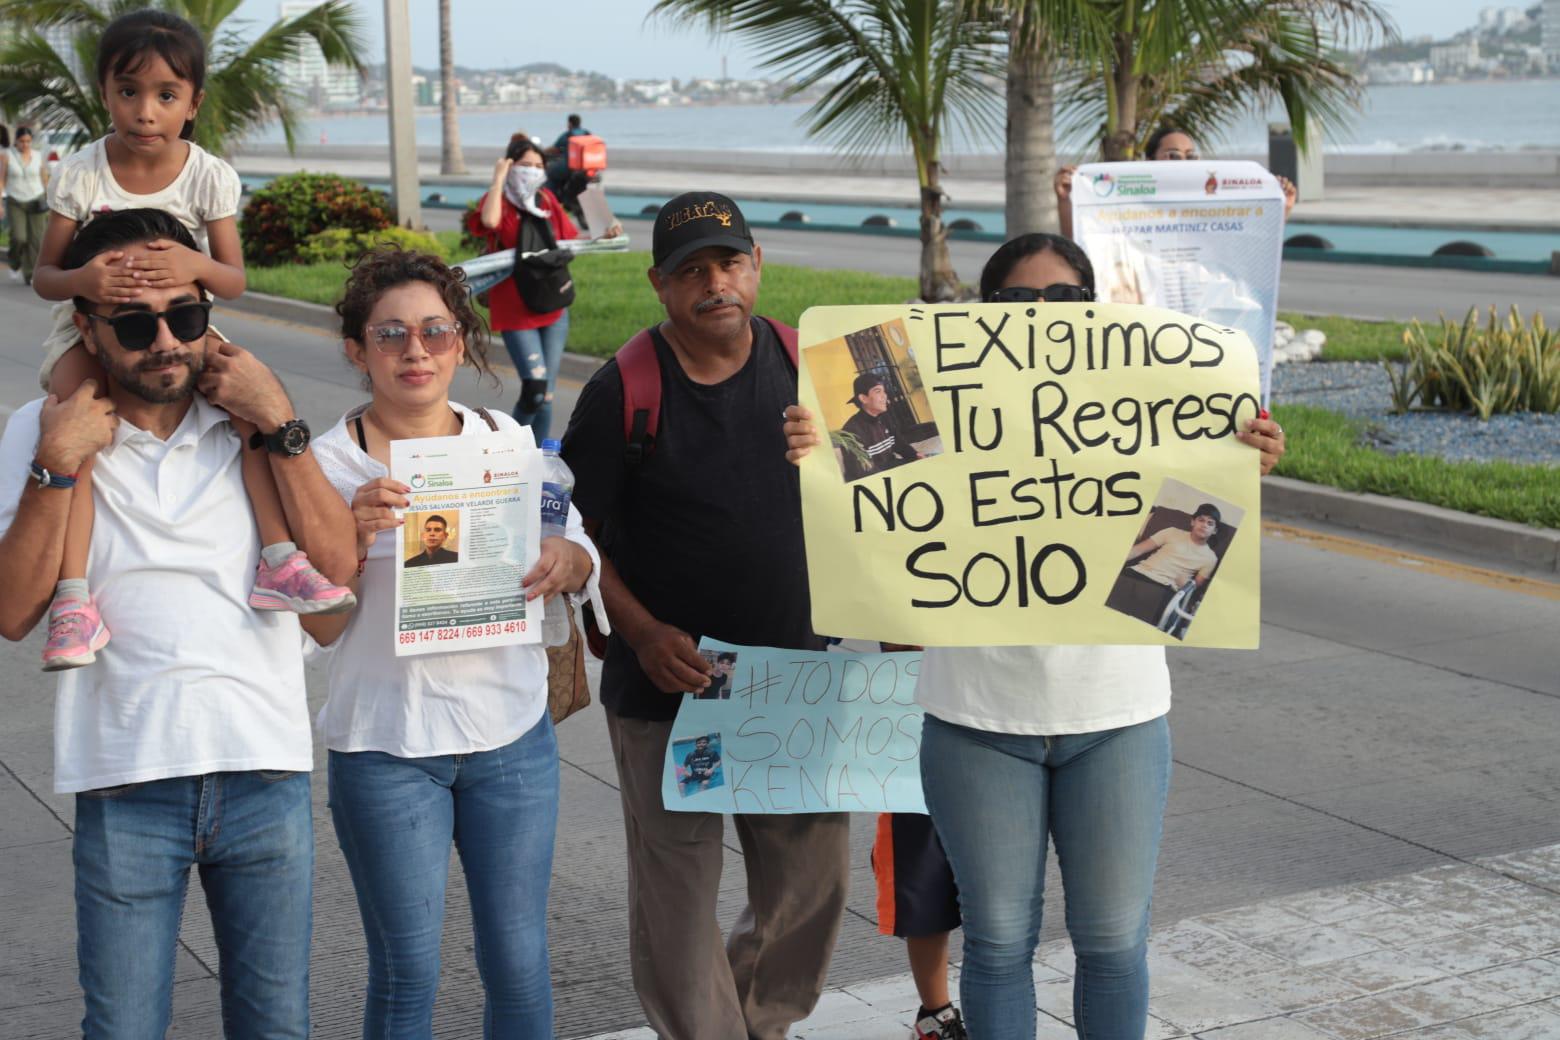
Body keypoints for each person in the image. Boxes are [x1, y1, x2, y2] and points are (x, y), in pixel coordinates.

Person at [783, 232, 1287, 1040]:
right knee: (997, 943)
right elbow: (864, 509)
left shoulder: (1144, 395)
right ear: (986, 313)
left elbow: (1194, 527)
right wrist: (819, 454)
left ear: (1093, 312)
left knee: (1116, 941)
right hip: (975, 718)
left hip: (1117, 716)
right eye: (1019, 303)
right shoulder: (932, 394)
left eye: (1064, 301)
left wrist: (1237, 466)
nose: (1043, 317)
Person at [0, 206, 357, 1038]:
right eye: (134, 323)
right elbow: (13, 611)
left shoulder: (248, 421)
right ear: (87, 327)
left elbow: (334, 591)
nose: (166, 340)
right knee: (123, 1027)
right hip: (124, 779)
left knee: (276, 1026)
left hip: (263, 770)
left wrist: (281, 421)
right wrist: (57, 465)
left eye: (187, 316)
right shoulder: (40, 430)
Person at [561, 191, 851, 1040]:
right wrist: (643, 634)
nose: (715, 283)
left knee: (809, 887)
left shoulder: (821, 370)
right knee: (678, 897)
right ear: (660, 284)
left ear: (757, 264)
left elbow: (911, 493)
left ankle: (762, 1021)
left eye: (730, 262)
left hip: (792, 679)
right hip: (672, 691)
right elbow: (572, 534)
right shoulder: (626, 390)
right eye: (693, 271)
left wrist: (836, 452)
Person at [304, 246, 601, 1039]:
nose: (416, 351)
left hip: (512, 737)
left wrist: (570, 561)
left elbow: (571, 548)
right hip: (386, 746)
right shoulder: (325, 469)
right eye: (391, 334)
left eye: (436, 331)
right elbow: (320, 626)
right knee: (407, 970)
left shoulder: (506, 440)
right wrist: (348, 536)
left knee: (518, 958)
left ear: (464, 341)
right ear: (355, 348)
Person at [29, 9, 352, 672]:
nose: (146, 111)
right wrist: (86, 278)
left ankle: (280, 560)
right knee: (73, 432)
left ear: (193, 103)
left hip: (184, 317)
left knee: (249, 409)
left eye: (166, 95)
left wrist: (193, 267)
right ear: (104, 93)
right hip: (90, 324)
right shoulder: (83, 173)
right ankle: (71, 597)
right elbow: (45, 277)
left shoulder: (208, 175)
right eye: (129, 92)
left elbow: (230, 279)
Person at [468, 134, 602, 439]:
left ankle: (537, 461)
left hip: (553, 306)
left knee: (547, 396)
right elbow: (489, 222)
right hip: (516, 310)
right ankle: (508, 451)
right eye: (524, 164)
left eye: (538, 165)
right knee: (535, 389)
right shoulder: (498, 202)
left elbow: (569, 237)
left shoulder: (546, 200)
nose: (532, 170)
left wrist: (603, 230)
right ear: (510, 165)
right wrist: (498, 177)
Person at [1054, 126, 1299, 240]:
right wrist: (1066, 200)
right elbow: (1086, 244)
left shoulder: (1213, 206)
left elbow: (1252, 242)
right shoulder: (1125, 205)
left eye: (1190, 155)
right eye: (1172, 155)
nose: (1183, 161)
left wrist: (1282, 207)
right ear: (1150, 160)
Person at [1105, 504, 1222, 625]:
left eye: (1210, 523)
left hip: (1164, 587)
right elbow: (1138, 550)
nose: (1204, 525)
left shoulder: (1210, 558)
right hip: (1137, 572)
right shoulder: (1172, 532)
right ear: (1193, 522)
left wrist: (1184, 584)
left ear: (1214, 531)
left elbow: (1194, 587)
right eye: (1201, 520)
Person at [840, 371, 922, 480]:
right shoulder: (850, 431)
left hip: (893, 468)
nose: (885, 396)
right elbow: (863, 472)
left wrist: (915, 455)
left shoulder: (884, 418)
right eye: (878, 391)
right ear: (863, 398)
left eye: (884, 391)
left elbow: (900, 445)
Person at [1, 126, 50, 284]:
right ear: (16, 141)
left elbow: (44, 178)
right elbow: (1, 179)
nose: (25, 144)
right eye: (22, 141)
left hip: (36, 200)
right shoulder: (6, 155)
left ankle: (30, 275)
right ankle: (14, 263)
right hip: (15, 200)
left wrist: (50, 198)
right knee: (19, 237)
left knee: (36, 240)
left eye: (28, 141)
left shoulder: (37, 155)